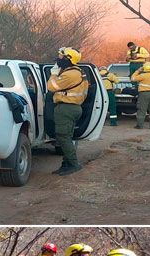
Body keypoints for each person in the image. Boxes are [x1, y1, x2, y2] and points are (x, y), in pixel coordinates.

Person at [47, 47, 89, 176]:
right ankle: (66, 164)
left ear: (68, 59)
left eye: (61, 57)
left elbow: (51, 87)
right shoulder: (77, 72)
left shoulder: (70, 74)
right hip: (72, 107)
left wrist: (54, 74)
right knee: (66, 137)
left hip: (66, 108)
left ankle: (73, 164)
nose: (58, 59)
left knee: (63, 137)